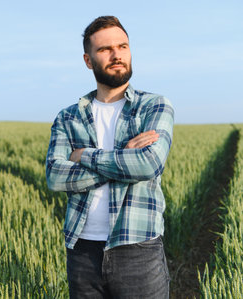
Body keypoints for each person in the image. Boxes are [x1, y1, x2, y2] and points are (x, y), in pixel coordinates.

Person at [45, 16, 174, 298]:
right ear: (88, 60)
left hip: (138, 248)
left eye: (123, 46)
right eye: (105, 49)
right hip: (82, 251)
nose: (117, 55)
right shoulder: (68, 117)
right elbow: (55, 177)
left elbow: (148, 164)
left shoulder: (154, 106)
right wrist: (122, 157)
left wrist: (84, 156)